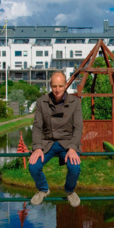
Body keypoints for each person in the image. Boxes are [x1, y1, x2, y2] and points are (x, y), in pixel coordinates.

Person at [28, 71, 83, 207]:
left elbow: (78, 127)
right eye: (54, 86)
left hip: (67, 142)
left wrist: (72, 148)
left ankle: (69, 191)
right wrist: (37, 147)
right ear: (50, 86)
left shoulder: (75, 102)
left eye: (60, 86)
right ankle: (43, 189)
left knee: (75, 167)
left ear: (66, 86)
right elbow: (37, 127)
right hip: (48, 142)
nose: (57, 90)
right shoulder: (42, 102)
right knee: (33, 166)